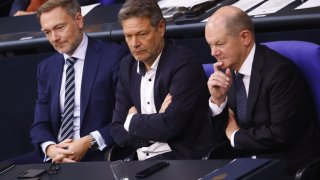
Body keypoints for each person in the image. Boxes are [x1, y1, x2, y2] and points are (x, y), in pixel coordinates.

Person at [206, 6, 320, 175]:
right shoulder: (226, 73)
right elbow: (218, 137)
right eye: (210, 45)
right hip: (243, 164)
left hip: (283, 165)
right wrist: (218, 101)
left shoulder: (279, 72)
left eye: (219, 44)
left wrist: (235, 135)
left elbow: (280, 134)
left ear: (245, 37)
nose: (213, 52)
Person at [111, 0, 215, 160]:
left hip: (179, 159)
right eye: (128, 36)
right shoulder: (127, 66)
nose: (134, 44)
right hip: (137, 159)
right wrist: (155, 122)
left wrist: (131, 121)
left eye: (142, 34)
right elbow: (117, 130)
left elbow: (171, 126)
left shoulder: (184, 63)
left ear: (161, 28)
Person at [28, 0, 128, 163]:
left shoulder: (114, 57)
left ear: (79, 20)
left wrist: (89, 142)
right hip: (56, 157)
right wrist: (51, 149)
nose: (54, 38)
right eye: (47, 32)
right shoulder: (46, 68)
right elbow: (40, 124)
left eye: (59, 28)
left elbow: (127, 119)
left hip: (99, 154)